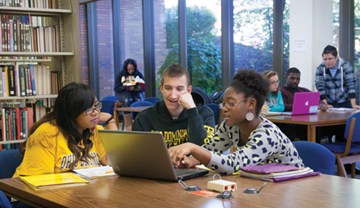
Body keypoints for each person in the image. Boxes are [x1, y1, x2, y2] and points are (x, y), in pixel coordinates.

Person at [169, 69, 304, 175]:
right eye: (223, 103)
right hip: (262, 186)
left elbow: (232, 165)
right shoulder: (230, 126)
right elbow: (210, 150)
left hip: (293, 190)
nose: (224, 109)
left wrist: (192, 147)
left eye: (231, 103)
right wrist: (190, 161)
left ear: (251, 104)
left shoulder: (267, 135)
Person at [13, 82, 118, 177]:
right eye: (88, 109)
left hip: (85, 192)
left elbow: (114, 162)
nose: (96, 112)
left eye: (96, 106)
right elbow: (38, 179)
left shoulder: (94, 130)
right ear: (72, 112)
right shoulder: (47, 134)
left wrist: (110, 120)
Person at [132, 64, 215, 147]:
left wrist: (192, 110)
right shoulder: (144, 118)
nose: (173, 95)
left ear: (189, 90)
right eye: (168, 88)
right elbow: (136, 153)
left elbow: (204, 150)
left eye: (179, 89)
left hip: (192, 160)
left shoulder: (205, 114)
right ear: (161, 88)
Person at [315, 45, 360, 111]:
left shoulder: (346, 66)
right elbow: (320, 87)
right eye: (325, 59)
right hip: (329, 102)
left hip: (345, 102)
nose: (327, 61)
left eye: (330, 59)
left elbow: (351, 86)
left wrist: (353, 105)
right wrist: (325, 104)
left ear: (336, 57)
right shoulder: (320, 68)